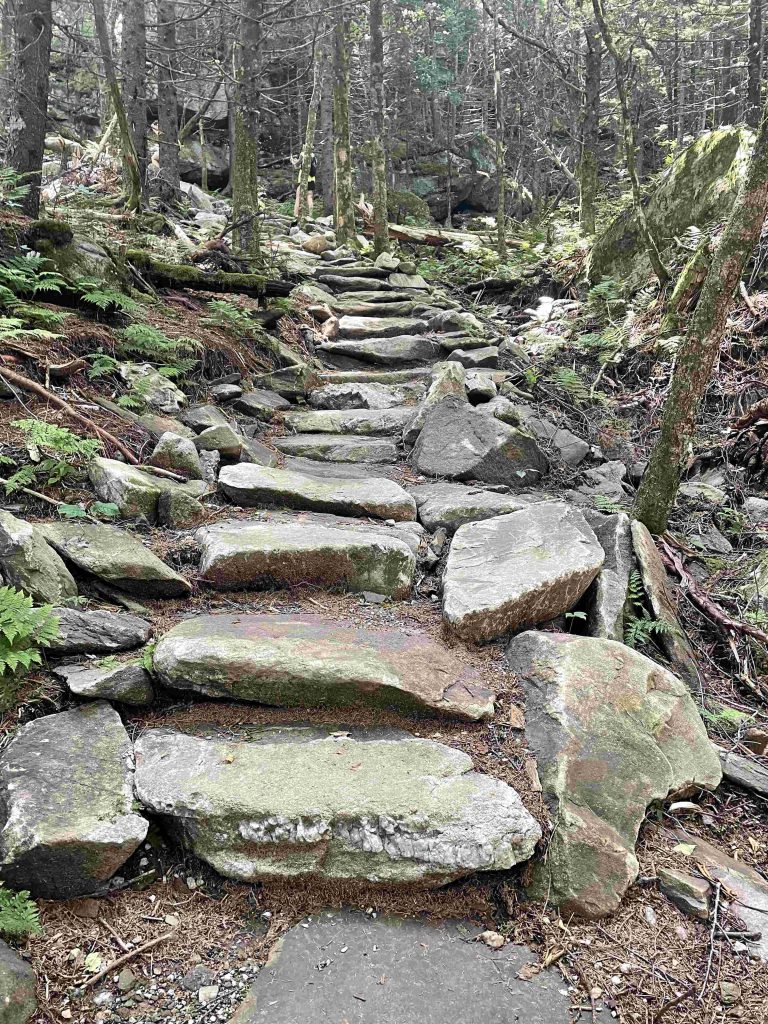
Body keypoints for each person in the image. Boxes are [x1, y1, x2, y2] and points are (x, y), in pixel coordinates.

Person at [293, 152, 317, 220]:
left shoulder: (303, 154)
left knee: (298, 198)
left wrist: (294, 161)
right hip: (311, 181)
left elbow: (296, 165)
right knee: (309, 198)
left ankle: (296, 215)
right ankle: (310, 215)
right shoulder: (313, 157)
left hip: (303, 180)